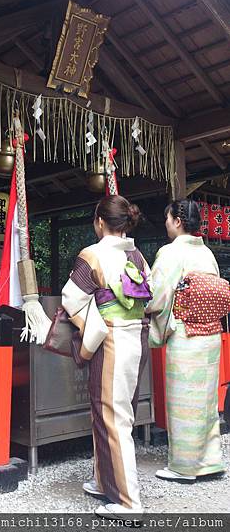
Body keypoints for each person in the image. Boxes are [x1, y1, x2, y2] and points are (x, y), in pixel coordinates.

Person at [62, 195, 152, 518]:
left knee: (112, 417)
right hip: (136, 338)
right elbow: (150, 297)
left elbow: (71, 298)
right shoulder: (136, 255)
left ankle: (129, 502)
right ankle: (104, 481)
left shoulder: (93, 255)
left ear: (100, 222)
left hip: (110, 339)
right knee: (112, 412)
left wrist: (88, 325)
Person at [146, 199, 226, 483]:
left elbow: (157, 296)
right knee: (205, 401)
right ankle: (209, 460)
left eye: (168, 218)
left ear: (177, 222)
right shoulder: (206, 254)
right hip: (211, 334)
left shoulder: (170, 253)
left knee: (184, 402)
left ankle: (184, 466)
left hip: (186, 333)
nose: (166, 223)